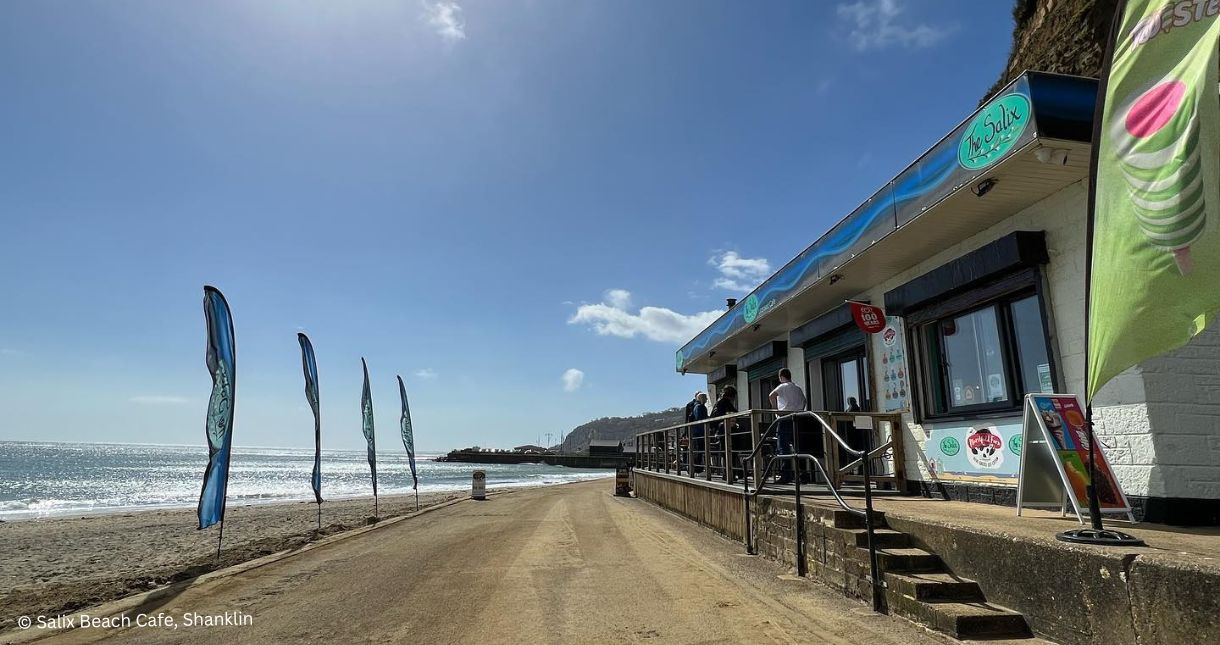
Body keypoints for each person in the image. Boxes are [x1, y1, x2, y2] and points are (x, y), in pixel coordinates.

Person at [769, 368, 807, 485]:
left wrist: (776, 410)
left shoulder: (783, 386)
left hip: (785, 418)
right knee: (798, 447)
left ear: (781, 377)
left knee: (783, 447)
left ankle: (786, 475)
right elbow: (804, 401)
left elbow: (771, 395)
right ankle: (803, 474)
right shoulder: (798, 388)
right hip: (798, 418)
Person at [709, 386, 738, 478]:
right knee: (729, 453)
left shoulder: (718, 402)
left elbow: (713, 417)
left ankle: (727, 473)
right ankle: (729, 474)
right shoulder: (726, 402)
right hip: (725, 431)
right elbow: (734, 413)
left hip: (718, 431)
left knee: (725, 453)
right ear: (731, 396)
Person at [690, 392, 709, 474]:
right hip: (700, 431)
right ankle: (698, 468)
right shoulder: (700, 407)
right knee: (700, 450)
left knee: (698, 450)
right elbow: (700, 418)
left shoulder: (695, 406)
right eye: (705, 398)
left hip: (696, 431)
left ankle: (697, 467)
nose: (707, 399)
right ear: (701, 398)